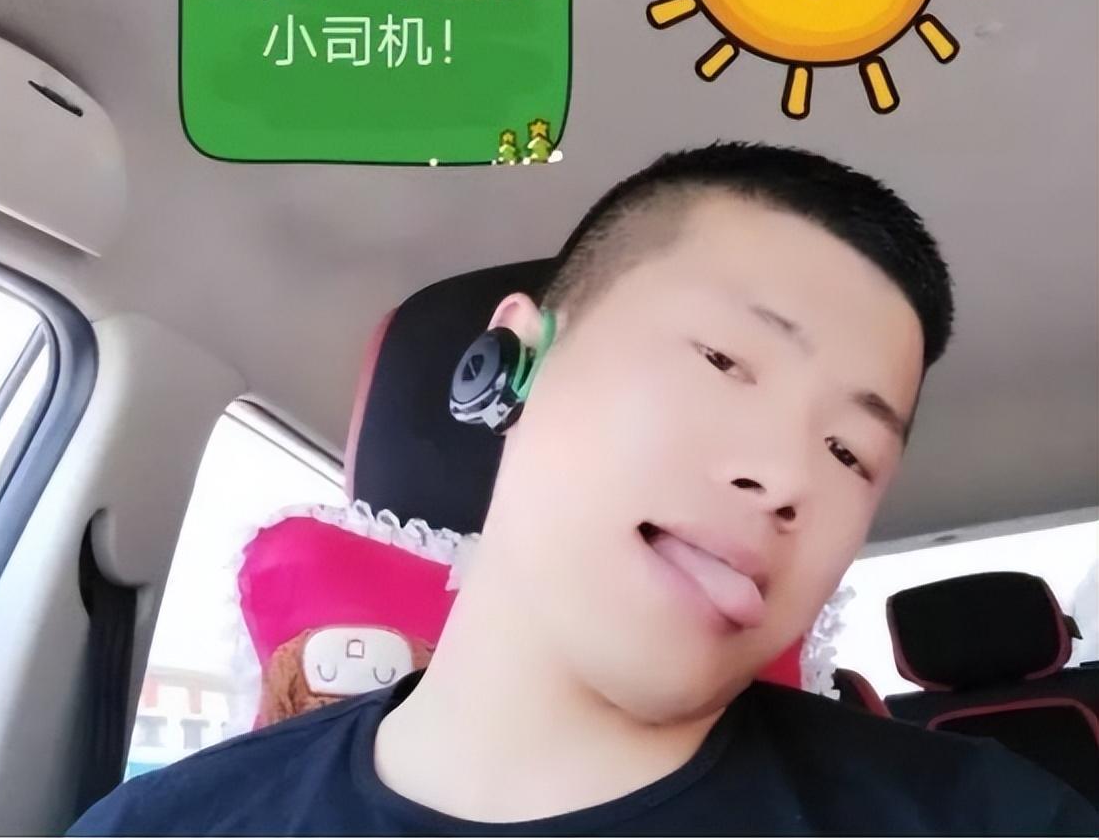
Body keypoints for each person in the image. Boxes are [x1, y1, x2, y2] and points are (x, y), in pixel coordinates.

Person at [69, 143, 1099, 836]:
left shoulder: (990, 820)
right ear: (515, 359)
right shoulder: (163, 828)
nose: (787, 478)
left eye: (849, 453)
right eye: (723, 361)